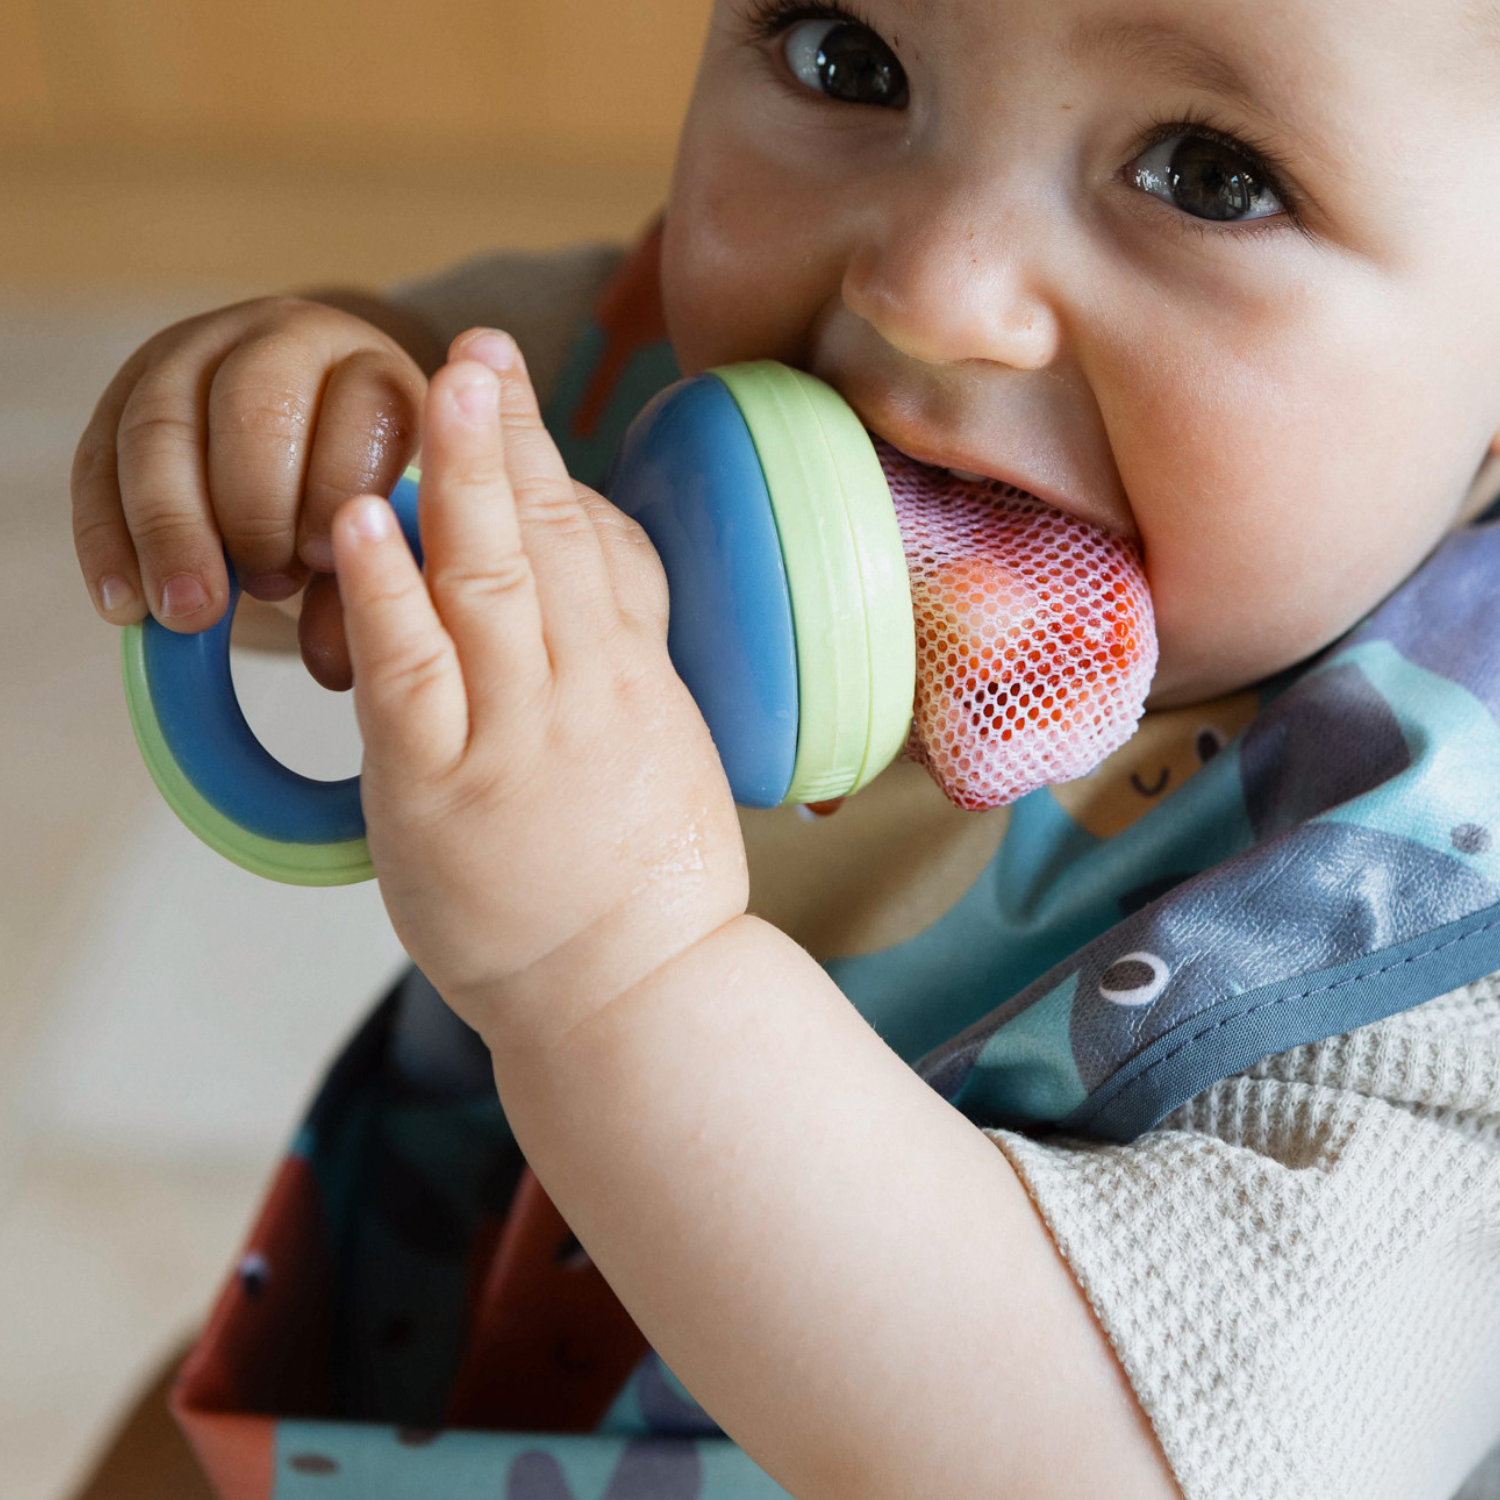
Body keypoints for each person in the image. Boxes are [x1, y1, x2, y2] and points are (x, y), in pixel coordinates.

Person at [68, 1, 1500, 1495]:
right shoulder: (673, 410)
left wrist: (616, 970)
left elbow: (1088, 1461)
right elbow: (347, 497)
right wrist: (294, 432)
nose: (927, 289)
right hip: (473, 1351)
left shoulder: (1431, 937)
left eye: (1209, 175)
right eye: (850, 60)